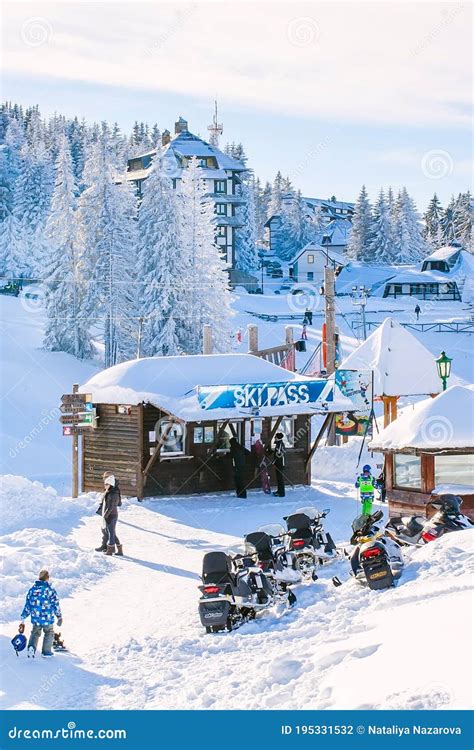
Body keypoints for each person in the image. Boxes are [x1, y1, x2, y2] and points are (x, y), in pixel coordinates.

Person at [20, 569, 62, 658]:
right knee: (49, 632)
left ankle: (31, 648)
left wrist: (23, 616)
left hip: (36, 618)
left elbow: (28, 604)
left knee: (35, 632)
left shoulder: (32, 590)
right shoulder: (50, 590)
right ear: (47, 578)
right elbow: (55, 604)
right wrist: (59, 616)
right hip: (47, 618)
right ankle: (46, 652)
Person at [95, 471, 123, 556]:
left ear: (110, 483)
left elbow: (112, 506)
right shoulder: (109, 491)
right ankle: (118, 549)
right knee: (110, 532)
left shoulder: (113, 492)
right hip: (109, 514)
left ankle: (110, 550)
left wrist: (105, 515)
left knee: (111, 533)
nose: (104, 485)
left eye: (106, 484)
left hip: (111, 515)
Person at [271, 432, 286, 497]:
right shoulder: (279, 444)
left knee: (280, 478)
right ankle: (279, 491)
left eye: (275, 437)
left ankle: (281, 493)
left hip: (280, 463)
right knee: (278, 478)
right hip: (278, 463)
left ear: (278, 438)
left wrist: (274, 461)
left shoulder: (280, 444)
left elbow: (278, 454)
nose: (274, 438)